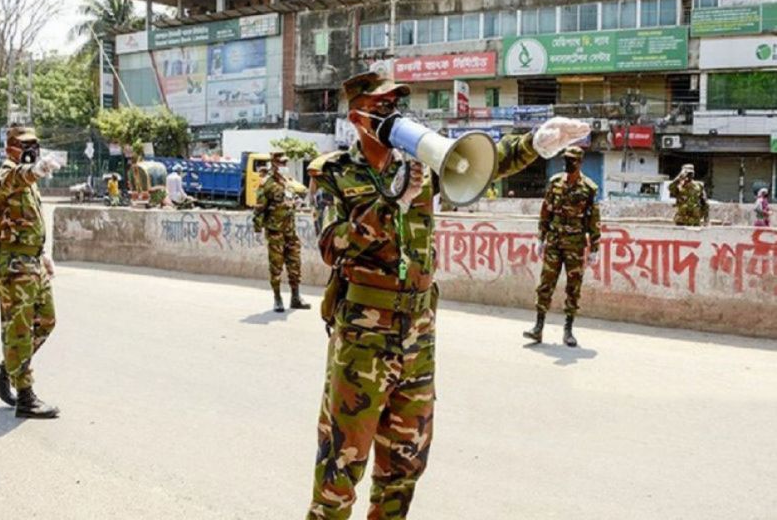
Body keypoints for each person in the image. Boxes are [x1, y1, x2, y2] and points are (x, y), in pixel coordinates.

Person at [306, 71, 590, 519]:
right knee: (341, 467)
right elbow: (330, 245)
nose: (390, 112)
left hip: (417, 335)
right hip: (363, 337)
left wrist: (534, 142)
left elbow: (478, 163)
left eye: (395, 103)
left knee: (404, 467)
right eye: (380, 105)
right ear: (356, 114)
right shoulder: (333, 173)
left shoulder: (418, 164)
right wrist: (389, 204)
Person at [0, 125, 61, 419]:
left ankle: (4, 371)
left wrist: (44, 254)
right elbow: (14, 178)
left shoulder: (29, 180)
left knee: (46, 321)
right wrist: (34, 171)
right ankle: (25, 397)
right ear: (10, 147)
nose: (31, 149)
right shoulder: (2, 177)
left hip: (33, 262)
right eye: (24, 144)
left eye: (35, 144)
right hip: (14, 266)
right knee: (18, 328)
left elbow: (30, 221)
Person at [523, 146, 601, 348]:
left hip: (575, 245)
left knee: (573, 287)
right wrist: (541, 238)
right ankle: (538, 328)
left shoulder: (589, 189)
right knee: (545, 283)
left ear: (580, 162)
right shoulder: (555, 183)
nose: (568, 163)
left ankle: (568, 330)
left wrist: (594, 247)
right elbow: (546, 211)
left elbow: (593, 220)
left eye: (572, 160)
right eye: (566, 159)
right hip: (554, 243)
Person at [253, 152, 311, 313]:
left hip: (290, 232)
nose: (284, 166)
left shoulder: (288, 182)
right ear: (273, 164)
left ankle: (295, 297)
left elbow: (294, 198)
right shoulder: (267, 184)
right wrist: (257, 228)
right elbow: (259, 208)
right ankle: (277, 299)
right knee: (276, 266)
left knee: (295, 264)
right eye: (281, 163)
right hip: (275, 232)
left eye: (286, 163)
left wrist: (298, 202)